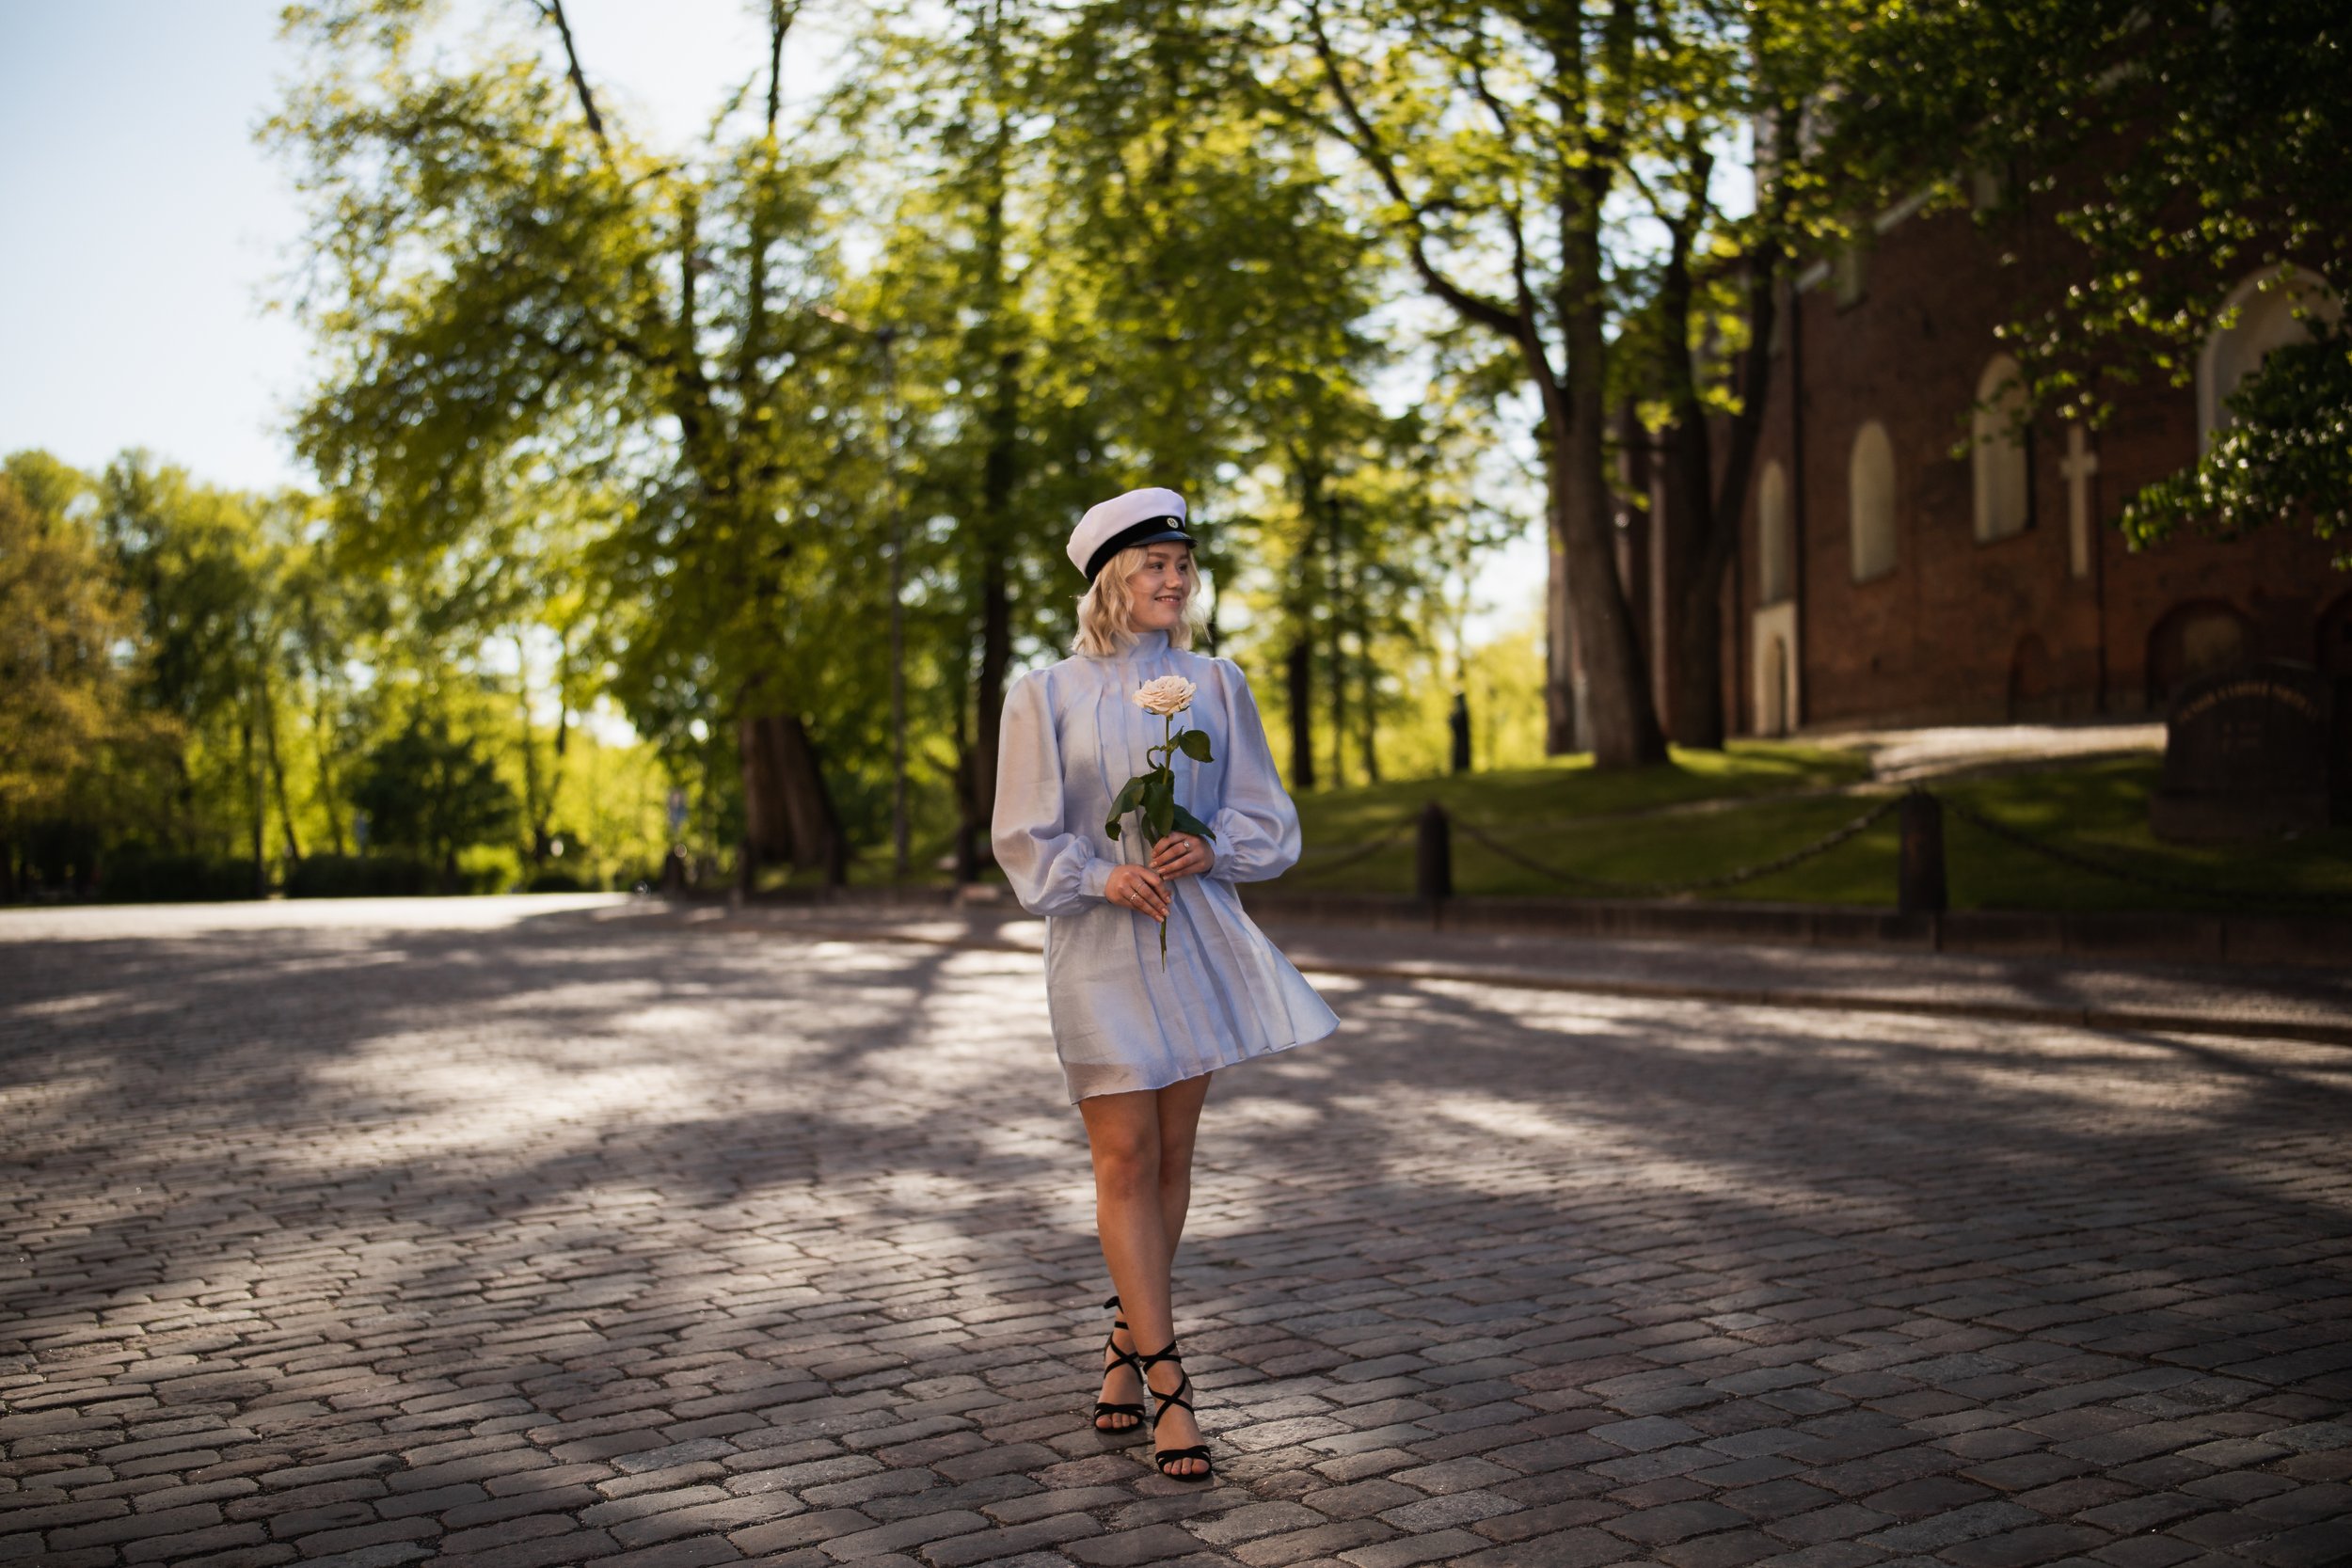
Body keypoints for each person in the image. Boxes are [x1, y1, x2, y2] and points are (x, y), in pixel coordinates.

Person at [992, 485, 1339, 1483]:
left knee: (1172, 1151)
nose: (1176, 582)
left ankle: (1123, 1343)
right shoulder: (1043, 693)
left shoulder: (1216, 684)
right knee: (1122, 1153)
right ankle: (1171, 1379)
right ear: (1112, 578)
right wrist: (1102, 873)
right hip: (1097, 943)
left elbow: (1266, 817)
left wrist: (1208, 842)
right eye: (1156, 566)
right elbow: (1023, 834)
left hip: (1191, 937)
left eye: (1184, 566)